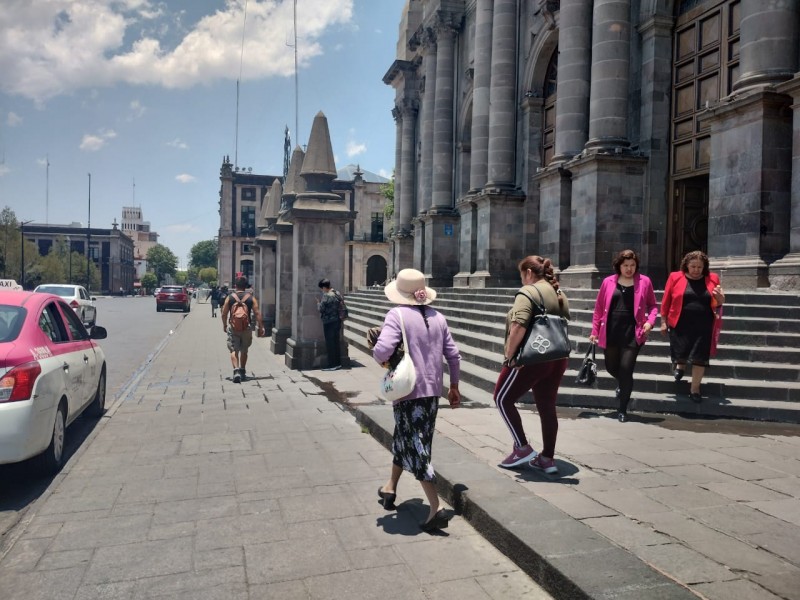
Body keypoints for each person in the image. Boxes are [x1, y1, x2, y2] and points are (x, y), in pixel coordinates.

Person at [372, 268, 461, 532]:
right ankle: (390, 487)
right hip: (432, 392)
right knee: (406, 437)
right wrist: (454, 386)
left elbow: (382, 352)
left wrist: (378, 351)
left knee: (417, 445)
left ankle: (435, 507)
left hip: (407, 391)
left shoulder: (396, 315)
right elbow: (454, 356)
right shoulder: (439, 317)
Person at [494, 256, 570, 474]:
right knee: (547, 405)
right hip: (557, 357)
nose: (522, 279)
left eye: (521, 275)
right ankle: (547, 458)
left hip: (532, 357)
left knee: (501, 398)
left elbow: (518, 325)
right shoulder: (558, 292)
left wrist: (510, 356)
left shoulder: (528, 292)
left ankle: (522, 447)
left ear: (528, 272)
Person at [589, 249, 658, 422]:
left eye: (632, 265)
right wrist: (594, 331)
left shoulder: (644, 282)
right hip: (611, 330)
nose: (629, 269)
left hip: (633, 333)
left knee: (626, 369)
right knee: (612, 367)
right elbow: (598, 309)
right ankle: (623, 384)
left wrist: (650, 322)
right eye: (625, 265)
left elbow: (653, 306)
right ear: (619, 266)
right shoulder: (608, 282)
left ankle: (622, 409)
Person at [660, 250, 725, 402]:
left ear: (704, 267)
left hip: (704, 323)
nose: (696, 270)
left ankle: (695, 389)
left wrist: (720, 299)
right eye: (693, 266)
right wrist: (663, 321)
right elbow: (666, 300)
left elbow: (718, 302)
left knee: (700, 357)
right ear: (686, 265)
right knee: (681, 350)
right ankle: (680, 366)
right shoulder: (675, 277)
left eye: (699, 267)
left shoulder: (713, 278)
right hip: (680, 322)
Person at [221, 276, 265, 383]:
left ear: (235, 286)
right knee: (244, 350)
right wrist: (261, 326)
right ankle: (242, 370)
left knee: (233, 349)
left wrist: (225, 325)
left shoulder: (230, 298)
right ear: (246, 286)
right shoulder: (251, 298)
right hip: (246, 327)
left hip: (233, 327)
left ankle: (236, 371)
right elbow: (257, 313)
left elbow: (224, 313)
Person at [317, 278, 344, 371]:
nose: (322, 290)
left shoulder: (326, 296)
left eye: (322, 288)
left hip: (329, 323)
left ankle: (332, 365)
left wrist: (318, 303)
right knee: (336, 343)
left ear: (324, 287)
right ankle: (338, 363)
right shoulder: (337, 293)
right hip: (338, 321)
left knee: (330, 344)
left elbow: (321, 309)